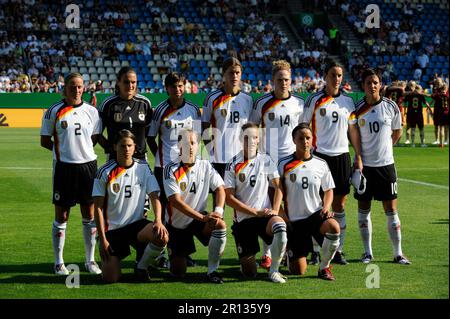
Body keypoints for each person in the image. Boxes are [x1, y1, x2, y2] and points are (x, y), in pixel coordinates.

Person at [40, 73, 102, 275]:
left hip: (88, 167)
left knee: (89, 214)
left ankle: (90, 260)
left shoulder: (91, 111)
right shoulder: (53, 111)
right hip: (64, 168)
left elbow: (93, 137)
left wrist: (80, 151)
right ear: (64, 88)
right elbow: (45, 140)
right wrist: (64, 151)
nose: (77, 90)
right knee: (62, 215)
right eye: (73, 87)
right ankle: (58, 262)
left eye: (80, 86)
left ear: (84, 88)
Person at [302, 61, 362, 266]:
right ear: (325, 76)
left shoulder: (348, 102)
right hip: (319, 157)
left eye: (339, 75)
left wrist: (358, 156)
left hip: (342, 157)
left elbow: (353, 131)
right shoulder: (314, 99)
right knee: (317, 204)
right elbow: (304, 127)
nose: (337, 79)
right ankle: (316, 250)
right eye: (333, 75)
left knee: (339, 206)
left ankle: (338, 250)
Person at [349, 68, 410, 265]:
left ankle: (398, 253)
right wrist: (358, 156)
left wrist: (387, 148)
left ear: (380, 84)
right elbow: (354, 133)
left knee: (391, 209)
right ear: (364, 86)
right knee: (363, 209)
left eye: (375, 82)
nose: (372, 86)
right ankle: (367, 253)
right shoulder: (357, 110)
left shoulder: (391, 106)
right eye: (369, 83)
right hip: (365, 168)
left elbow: (397, 131)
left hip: (386, 167)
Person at [92, 130, 168, 283]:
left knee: (161, 235)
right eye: (122, 146)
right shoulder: (104, 172)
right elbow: (98, 208)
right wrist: (102, 239)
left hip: (136, 226)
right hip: (112, 231)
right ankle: (114, 261)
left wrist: (158, 220)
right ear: (115, 147)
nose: (126, 149)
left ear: (135, 147)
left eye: (129, 145)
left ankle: (142, 266)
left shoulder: (143, 168)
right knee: (110, 279)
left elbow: (155, 197)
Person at [250, 59, 304, 270]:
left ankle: (296, 249)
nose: (284, 83)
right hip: (268, 163)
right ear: (273, 80)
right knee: (269, 207)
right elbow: (253, 129)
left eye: (287, 80)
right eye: (280, 79)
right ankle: (266, 255)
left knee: (293, 207)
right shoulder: (262, 103)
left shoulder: (298, 103)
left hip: (292, 162)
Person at [147, 72, 201, 267]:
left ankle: (183, 253)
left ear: (184, 86)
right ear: (166, 89)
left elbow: (197, 137)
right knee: (163, 214)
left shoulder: (194, 110)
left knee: (184, 211)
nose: (177, 90)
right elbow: (150, 137)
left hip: (186, 169)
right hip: (164, 169)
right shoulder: (160, 110)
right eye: (173, 87)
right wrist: (160, 158)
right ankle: (161, 254)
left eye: (180, 86)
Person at [224, 123, 288, 283]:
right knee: (249, 273)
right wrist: (254, 212)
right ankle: (245, 261)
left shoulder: (266, 160)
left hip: (265, 216)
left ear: (259, 140)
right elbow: (229, 198)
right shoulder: (232, 164)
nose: (251, 141)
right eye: (246, 138)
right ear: (240, 139)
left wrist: (274, 209)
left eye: (254, 138)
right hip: (244, 220)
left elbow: (279, 186)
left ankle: (274, 271)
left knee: (280, 226)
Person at [163, 129, 227, 283]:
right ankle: (179, 255)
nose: (190, 147)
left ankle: (212, 271)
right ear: (179, 146)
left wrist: (218, 211)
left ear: (198, 146)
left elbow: (220, 189)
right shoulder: (170, 169)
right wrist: (203, 217)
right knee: (178, 273)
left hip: (199, 220)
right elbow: (175, 201)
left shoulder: (205, 165)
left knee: (219, 224)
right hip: (177, 226)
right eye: (185, 143)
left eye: (193, 143)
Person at [278, 123, 340, 281]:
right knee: (298, 271)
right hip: (295, 222)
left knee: (334, 227)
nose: (305, 141)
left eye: (308, 138)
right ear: (294, 140)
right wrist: (282, 215)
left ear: (312, 140)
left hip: (315, 216)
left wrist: (326, 207)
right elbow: (275, 192)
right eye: (301, 138)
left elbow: (329, 190)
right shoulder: (283, 164)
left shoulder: (321, 164)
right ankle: (288, 253)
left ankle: (324, 267)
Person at [201, 57, 253, 205]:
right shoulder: (212, 98)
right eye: (231, 73)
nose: (234, 76)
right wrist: (210, 152)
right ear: (224, 74)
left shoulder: (247, 99)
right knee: (218, 203)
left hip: (241, 159)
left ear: (241, 74)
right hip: (219, 159)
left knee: (243, 200)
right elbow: (204, 128)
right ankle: (217, 228)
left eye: (237, 73)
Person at [98, 66, 152, 161]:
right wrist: (109, 148)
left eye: (133, 82)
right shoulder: (108, 104)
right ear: (118, 83)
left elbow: (148, 130)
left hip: (140, 158)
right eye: (126, 82)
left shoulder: (144, 103)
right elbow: (97, 132)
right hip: (115, 159)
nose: (130, 86)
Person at [403, 82, 432, 147]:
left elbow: (404, 101)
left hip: (411, 113)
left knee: (412, 129)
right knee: (421, 129)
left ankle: (412, 143)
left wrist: (404, 111)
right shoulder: (420, 95)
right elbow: (426, 103)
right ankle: (422, 143)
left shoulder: (410, 95)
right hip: (419, 114)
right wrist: (430, 109)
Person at [382, 80, 407, 145]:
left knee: (390, 127)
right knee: (399, 127)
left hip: (389, 109)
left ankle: (389, 141)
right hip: (398, 109)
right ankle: (395, 142)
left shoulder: (389, 89)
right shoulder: (400, 90)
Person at [430, 78, 449, 147]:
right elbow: (433, 98)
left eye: (438, 82)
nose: (437, 84)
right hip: (437, 109)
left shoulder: (444, 90)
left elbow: (433, 96)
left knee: (444, 126)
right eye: (436, 82)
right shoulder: (436, 90)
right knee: (436, 126)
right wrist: (429, 104)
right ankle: (437, 140)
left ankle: (445, 140)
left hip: (443, 110)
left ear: (442, 82)